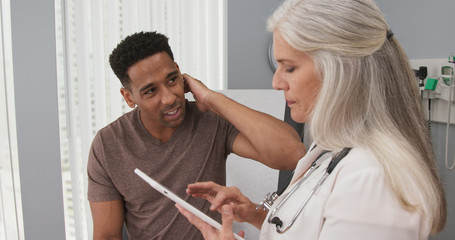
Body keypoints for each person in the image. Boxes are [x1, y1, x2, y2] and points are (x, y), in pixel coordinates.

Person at [176, 0, 448, 239]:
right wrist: (257, 215)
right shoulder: (330, 153)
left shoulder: (372, 179)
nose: (276, 82)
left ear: (340, 70)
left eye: (290, 67)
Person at [86, 31, 305, 240]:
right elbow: (107, 235)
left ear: (181, 73)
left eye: (172, 80)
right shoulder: (107, 145)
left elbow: (293, 154)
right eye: (151, 91)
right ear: (128, 97)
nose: (169, 98)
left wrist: (211, 98)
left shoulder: (210, 120)